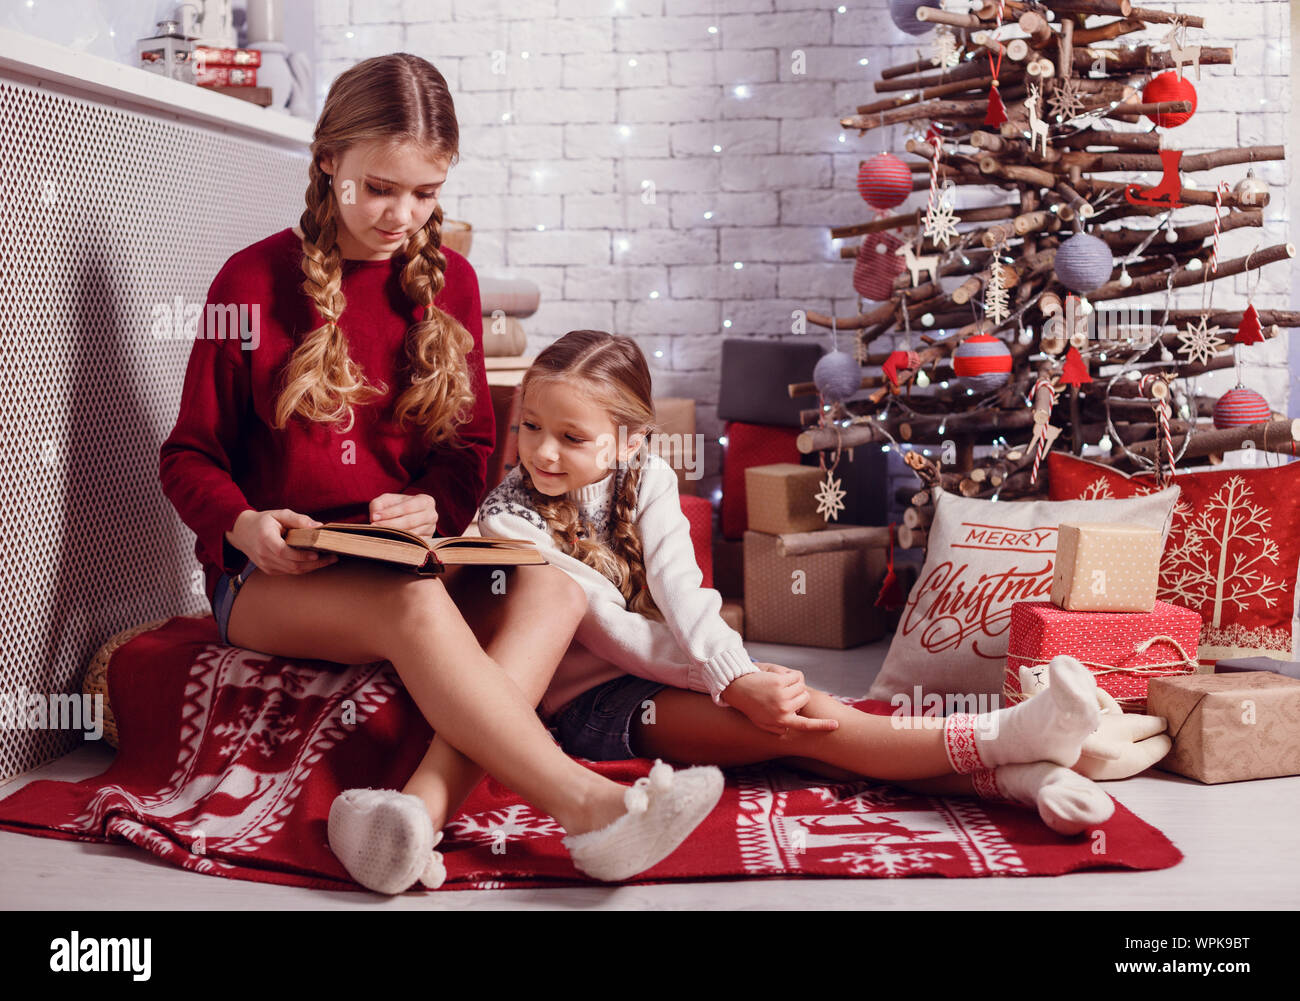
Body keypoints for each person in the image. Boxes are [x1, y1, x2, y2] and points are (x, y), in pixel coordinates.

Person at [158, 54, 723, 896]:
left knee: (557, 589)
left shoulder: (450, 283)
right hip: (270, 578)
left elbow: (465, 452)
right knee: (411, 602)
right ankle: (592, 807)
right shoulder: (249, 280)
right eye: (380, 188)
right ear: (328, 163)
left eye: (426, 193)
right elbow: (187, 454)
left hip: (400, 555)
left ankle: (410, 818)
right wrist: (243, 523)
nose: (402, 215)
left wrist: (430, 502)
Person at [462, 329, 1136, 838]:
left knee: (806, 726)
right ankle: (1003, 742)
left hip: (667, 667)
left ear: (632, 439)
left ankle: (1019, 776)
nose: (542, 451)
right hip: (590, 704)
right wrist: (732, 682)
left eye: (570, 436)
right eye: (530, 427)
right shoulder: (509, 520)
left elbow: (682, 593)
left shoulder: (650, 479)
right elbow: (614, 633)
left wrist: (737, 674)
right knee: (800, 727)